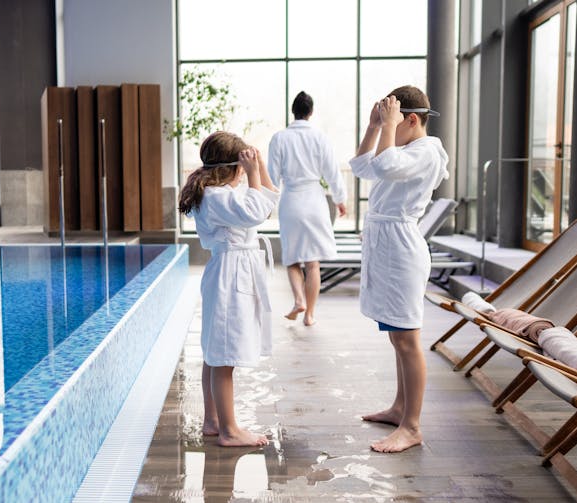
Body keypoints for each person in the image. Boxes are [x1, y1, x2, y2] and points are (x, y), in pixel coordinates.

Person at [349, 85, 449, 453]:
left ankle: (412, 426)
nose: (389, 125)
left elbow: (386, 167)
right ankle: (399, 407)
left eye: (394, 119)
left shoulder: (426, 151)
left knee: (407, 340)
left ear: (411, 119)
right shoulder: (403, 146)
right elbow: (363, 167)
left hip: (402, 251)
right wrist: (375, 126)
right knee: (396, 336)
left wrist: (388, 128)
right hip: (387, 247)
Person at [178, 131, 279, 447]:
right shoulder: (217, 197)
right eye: (244, 165)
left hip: (230, 272)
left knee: (215, 352)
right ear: (233, 168)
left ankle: (213, 420)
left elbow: (268, 200)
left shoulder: (216, 192)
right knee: (223, 357)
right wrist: (252, 174)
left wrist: (258, 167)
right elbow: (255, 210)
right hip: (230, 276)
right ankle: (230, 431)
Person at [268, 91, 347, 326]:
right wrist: (340, 199)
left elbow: (272, 177)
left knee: (292, 258)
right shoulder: (320, 138)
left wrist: (267, 204)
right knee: (313, 263)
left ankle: (298, 300)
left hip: (291, 201)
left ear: (293, 111)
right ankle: (310, 314)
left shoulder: (279, 138)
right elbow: (332, 172)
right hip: (315, 201)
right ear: (310, 112)